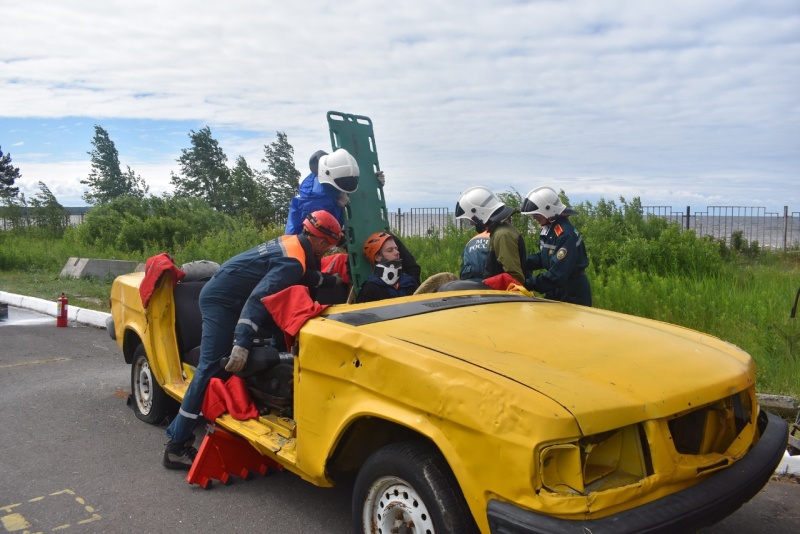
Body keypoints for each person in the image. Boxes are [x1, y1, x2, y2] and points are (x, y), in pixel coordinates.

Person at [163, 210, 344, 470]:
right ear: (321, 242)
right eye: (328, 249)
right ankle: (176, 445)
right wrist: (242, 342)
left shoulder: (293, 244)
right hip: (221, 300)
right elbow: (259, 298)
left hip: (235, 296)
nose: (326, 254)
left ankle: (270, 396)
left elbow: (302, 277)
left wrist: (333, 279)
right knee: (209, 366)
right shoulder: (294, 258)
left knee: (280, 332)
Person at [520, 186, 592, 306]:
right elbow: (544, 257)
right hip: (556, 289)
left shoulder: (565, 234)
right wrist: (519, 261)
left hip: (572, 292)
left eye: (537, 214)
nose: (534, 217)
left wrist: (526, 283)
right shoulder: (551, 230)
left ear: (548, 210)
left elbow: (557, 275)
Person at [455, 186, 528, 284]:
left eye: (472, 220)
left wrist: (486, 285)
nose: (472, 224)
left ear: (481, 213)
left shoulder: (502, 235)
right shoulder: (499, 232)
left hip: (504, 297)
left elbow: (514, 277)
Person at [285, 148, 361, 236]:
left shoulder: (326, 173)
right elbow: (317, 232)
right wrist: (336, 203)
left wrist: (374, 180)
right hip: (301, 238)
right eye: (345, 181)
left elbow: (347, 182)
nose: (347, 183)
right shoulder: (316, 198)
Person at [356, 232, 419, 303]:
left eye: (396, 248)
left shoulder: (409, 282)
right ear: (378, 257)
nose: (397, 252)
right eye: (390, 250)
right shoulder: (370, 288)